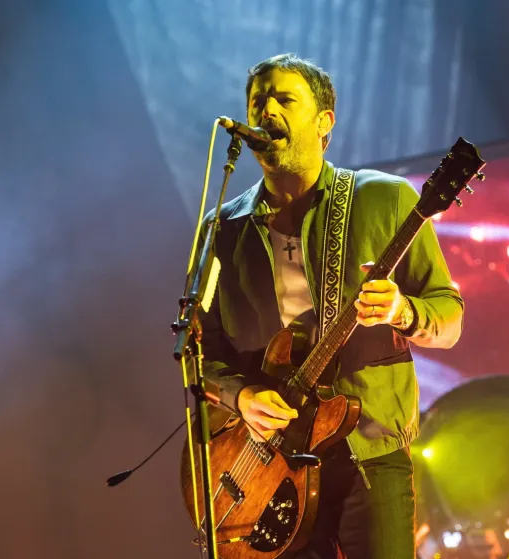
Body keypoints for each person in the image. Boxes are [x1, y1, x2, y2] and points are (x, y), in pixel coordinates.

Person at [198, 53, 464, 559]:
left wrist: (403, 311)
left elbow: (449, 316)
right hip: (272, 461)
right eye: (258, 101)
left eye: (284, 99)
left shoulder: (384, 198)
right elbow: (200, 354)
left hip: (369, 447)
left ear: (324, 124)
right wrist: (242, 397)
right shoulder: (223, 229)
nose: (267, 109)